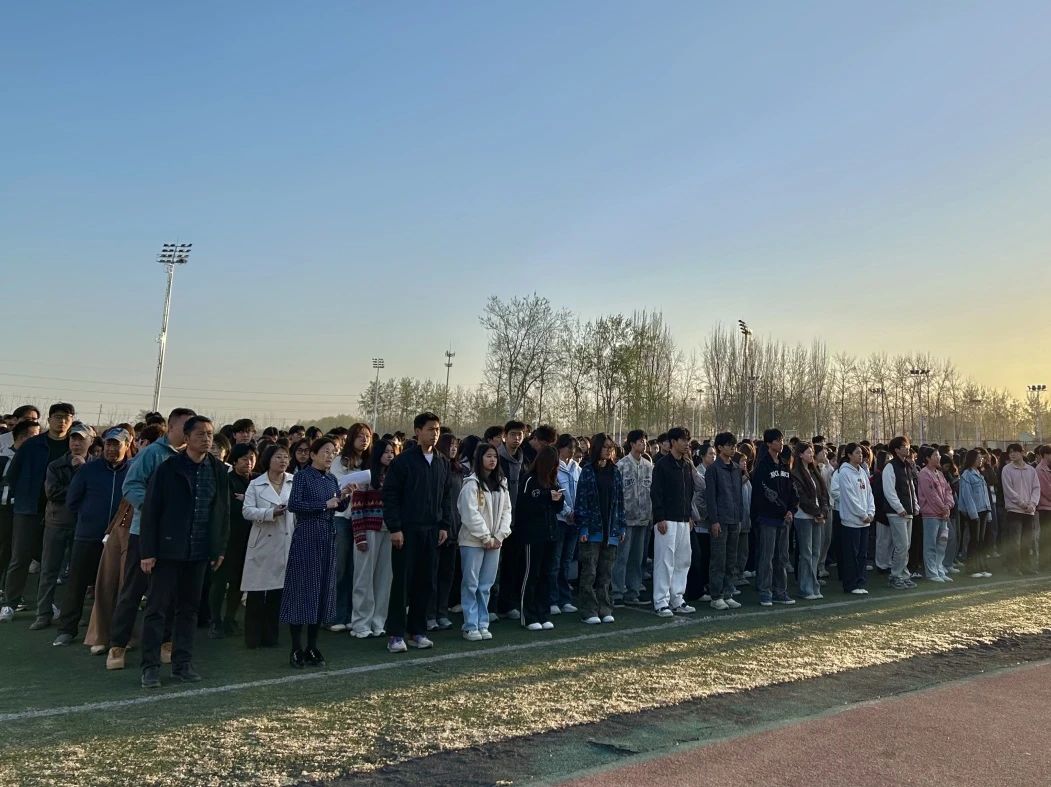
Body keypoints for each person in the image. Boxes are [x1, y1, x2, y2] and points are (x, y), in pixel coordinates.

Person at [138, 416, 230, 688]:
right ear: (186, 438)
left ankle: (182, 664)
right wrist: (148, 551)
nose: (207, 439)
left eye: (210, 434)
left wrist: (219, 548)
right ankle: (150, 667)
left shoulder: (217, 470)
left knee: (189, 610)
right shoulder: (169, 468)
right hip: (168, 549)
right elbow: (151, 511)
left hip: (200, 551)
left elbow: (222, 512)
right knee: (157, 609)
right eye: (200, 434)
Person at [105, 407, 195, 670]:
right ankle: (118, 645)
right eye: (186, 427)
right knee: (133, 590)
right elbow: (130, 486)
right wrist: (155, 508)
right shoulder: (152, 453)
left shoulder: (191, 457)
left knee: (170, 592)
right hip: (143, 532)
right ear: (172, 427)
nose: (190, 433)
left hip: (176, 536)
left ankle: (166, 642)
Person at [382, 412, 453, 653]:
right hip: (407, 531)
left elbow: (446, 497)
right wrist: (395, 528)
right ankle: (395, 634)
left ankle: (417, 631)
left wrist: (444, 525)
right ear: (417, 431)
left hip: (432, 531)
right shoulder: (403, 462)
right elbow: (390, 495)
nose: (435, 434)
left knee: (426, 583)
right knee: (402, 583)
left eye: (437, 429)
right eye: (430, 429)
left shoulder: (442, 462)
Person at [52, 428, 131, 645]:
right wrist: (89, 517)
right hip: (87, 535)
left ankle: (112, 633)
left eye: (116, 444)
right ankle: (67, 629)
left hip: (119, 539)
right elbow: (73, 500)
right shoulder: (89, 470)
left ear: (127, 445)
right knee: (77, 583)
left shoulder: (133, 471)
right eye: (108, 444)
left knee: (115, 586)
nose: (111, 449)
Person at [281, 437, 354, 668]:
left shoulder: (331, 479)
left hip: (327, 537)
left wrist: (344, 496)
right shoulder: (302, 476)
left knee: (322, 590)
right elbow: (294, 505)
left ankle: (312, 646)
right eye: (325, 451)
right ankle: (296, 647)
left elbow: (337, 505)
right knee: (302, 590)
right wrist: (325, 504)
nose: (330, 456)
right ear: (313, 454)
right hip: (306, 536)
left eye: (333, 452)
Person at [2, 402, 75, 624]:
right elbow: (12, 475)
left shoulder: (74, 446)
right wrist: (22, 496)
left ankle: (46, 603)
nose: (62, 421)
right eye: (58, 417)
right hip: (28, 509)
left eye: (67, 418)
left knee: (50, 561)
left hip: (58, 512)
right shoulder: (33, 445)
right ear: (49, 420)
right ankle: (10, 603)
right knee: (20, 557)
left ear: (71, 421)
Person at [32, 422, 94, 630]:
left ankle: (73, 614)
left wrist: (82, 472)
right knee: (49, 570)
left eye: (81, 439)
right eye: (73, 439)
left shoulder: (96, 466)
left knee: (78, 574)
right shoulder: (56, 465)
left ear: (90, 442)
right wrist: (79, 482)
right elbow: (53, 493)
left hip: (83, 526)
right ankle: (43, 613)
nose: (76, 443)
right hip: (57, 522)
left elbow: (96, 493)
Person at [240, 443, 294, 649]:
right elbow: (247, 511)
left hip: (285, 540)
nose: (282, 461)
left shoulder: (293, 481)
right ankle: (252, 637)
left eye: (285, 457)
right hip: (262, 542)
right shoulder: (256, 484)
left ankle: (271, 636)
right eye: (278, 457)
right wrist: (270, 513)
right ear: (268, 460)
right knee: (256, 591)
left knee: (276, 592)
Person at [457, 443, 512, 640]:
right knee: (471, 584)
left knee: (485, 585)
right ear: (479, 459)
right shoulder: (471, 484)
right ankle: (470, 625)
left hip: (495, 542)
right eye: (488, 456)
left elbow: (507, 511)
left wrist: (499, 536)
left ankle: (483, 622)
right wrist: (485, 536)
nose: (492, 460)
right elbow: (469, 513)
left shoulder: (501, 484)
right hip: (473, 541)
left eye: (495, 457)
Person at [573, 433, 626, 625]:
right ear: (596, 448)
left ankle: (605, 607)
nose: (609, 450)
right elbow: (581, 501)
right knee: (589, 572)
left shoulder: (615, 471)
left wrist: (621, 526)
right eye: (605, 446)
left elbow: (620, 500)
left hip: (611, 529)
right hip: (592, 530)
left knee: (606, 572)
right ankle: (589, 609)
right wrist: (583, 528)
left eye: (611, 447)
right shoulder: (587, 471)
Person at [209, 443, 256, 638]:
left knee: (239, 581)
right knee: (221, 581)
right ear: (234, 461)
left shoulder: (257, 482)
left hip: (250, 538)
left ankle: (230, 618)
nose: (249, 462)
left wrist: (246, 500)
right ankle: (215, 621)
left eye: (252, 458)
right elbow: (229, 508)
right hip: (228, 537)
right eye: (244, 459)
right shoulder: (227, 480)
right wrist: (250, 504)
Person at [350, 439, 395, 639]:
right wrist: (359, 536)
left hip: (389, 532)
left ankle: (378, 622)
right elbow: (357, 508)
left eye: (392, 452)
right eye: (386, 452)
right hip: (369, 531)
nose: (390, 455)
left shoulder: (394, 477)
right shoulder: (366, 477)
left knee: (384, 580)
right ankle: (361, 623)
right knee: (364, 579)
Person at [650, 426, 696, 618]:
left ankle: (677, 598)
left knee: (683, 560)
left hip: (683, 519)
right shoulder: (662, 465)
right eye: (683, 440)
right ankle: (661, 601)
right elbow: (656, 492)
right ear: (673, 442)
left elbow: (690, 492)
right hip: (667, 520)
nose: (686, 443)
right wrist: (659, 517)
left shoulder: (686, 465)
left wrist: (689, 515)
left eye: (687, 440)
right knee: (664, 561)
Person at [329, 423, 372, 632]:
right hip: (342, 517)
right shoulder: (340, 461)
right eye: (360, 436)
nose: (364, 440)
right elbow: (336, 485)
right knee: (340, 567)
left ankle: (353, 615)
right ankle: (336, 615)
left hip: (363, 519)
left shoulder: (371, 461)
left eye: (367, 436)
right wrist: (349, 487)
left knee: (357, 570)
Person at [516, 445, 564, 631]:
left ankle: (543, 612)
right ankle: (528, 615)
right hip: (533, 535)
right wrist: (546, 497)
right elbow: (523, 507)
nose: (554, 467)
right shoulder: (529, 479)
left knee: (547, 574)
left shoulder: (553, 481)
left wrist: (558, 499)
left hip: (551, 534)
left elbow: (558, 508)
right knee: (531, 574)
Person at [751, 429, 799, 606]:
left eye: (782, 440)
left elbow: (792, 490)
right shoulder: (763, 466)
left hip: (784, 519)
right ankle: (765, 591)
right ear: (769, 444)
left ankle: (780, 591)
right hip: (768, 518)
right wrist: (781, 509)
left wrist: (791, 510)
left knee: (782, 557)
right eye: (777, 440)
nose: (781, 443)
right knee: (767, 557)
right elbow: (764, 492)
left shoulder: (785, 465)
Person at [0, 419, 41, 614]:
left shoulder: (34, 457)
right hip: (5, 509)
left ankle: (9, 592)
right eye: (35, 436)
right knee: (5, 550)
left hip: (23, 510)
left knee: (15, 552)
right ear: (23, 437)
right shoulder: (5, 457)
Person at [613, 430, 652, 607]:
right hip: (625, 519)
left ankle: (633, 591)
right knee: (621, 557)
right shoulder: (621, 465)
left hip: (643, 519)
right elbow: (616, 494)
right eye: (640, 441)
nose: (644, 444)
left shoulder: (649, 466)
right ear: (632, 444)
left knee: (637, 558)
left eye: (645, 441)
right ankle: (617, 591)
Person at [705, 432, 744, 611]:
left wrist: (740, 517)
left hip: (734, 519)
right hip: (720, 520)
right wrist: (714, 520)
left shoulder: (736, 468)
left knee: (731, 559)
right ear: (720, 447)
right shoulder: (713, 469)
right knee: (718, 560)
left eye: (734, 445)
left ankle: (728, 593)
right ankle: (716, 595)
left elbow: (739, 495)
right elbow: (711, 497)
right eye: (729, 445)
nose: (733, 448)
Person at [830, 443, 875, 595]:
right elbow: (850, 497)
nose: (860, 455)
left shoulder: (862, 471)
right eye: (857, 453)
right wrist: (863, 514)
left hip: (865, 521)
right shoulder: (844, 473)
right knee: (851, 554)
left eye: (861, 453)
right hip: (851, 521)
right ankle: (850, 584)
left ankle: (860, 581)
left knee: (862, 554)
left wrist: (871, 512)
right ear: (849, 455)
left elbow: (869, 494)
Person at [428, 433, 462, 631]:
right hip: (437, 527)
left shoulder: (460, 471)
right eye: (450, 444)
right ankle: (430, 614)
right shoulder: (435, 467)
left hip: (455, 529)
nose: (453, 448)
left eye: (456, 445)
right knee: (431, 574)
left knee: (447, 575)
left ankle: (442, 612)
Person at [790, 441, 830, 601]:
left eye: (812, 451)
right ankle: (805, 588)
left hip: (817, 516)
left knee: (815, 553)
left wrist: (823, 512)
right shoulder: (795, 473)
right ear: (800, 455)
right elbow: (801, 497)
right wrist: (816, 512)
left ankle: (813, 586)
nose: (811, 454)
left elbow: (823, 494)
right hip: (803, 517)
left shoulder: (814, 471)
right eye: (808, 452)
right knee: (806, 554)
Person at [495, 420, 527, 619]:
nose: (517, 438)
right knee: (493, 568)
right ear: (504, 436)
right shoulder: (495, 459)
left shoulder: (524, 460)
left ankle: (508, 604)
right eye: (513, 434)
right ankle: (490, 606)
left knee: (512, 564)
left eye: (520, 435)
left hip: (518, 522)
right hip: (497, 521)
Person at [881, 436, 919, 591]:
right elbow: (889, 490)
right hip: (896, 513)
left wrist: (915, 505)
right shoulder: (890, 467)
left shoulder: (908, 465)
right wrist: (899, 508)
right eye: (904, 446)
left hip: (908, 511)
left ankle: (904, 574)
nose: (907, 448)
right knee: (901, 545)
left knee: (906, 545)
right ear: (896, 450)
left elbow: (911, 488)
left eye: (908, 445)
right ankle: (895, 576)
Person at [550, 434, 580, 616]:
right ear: (560, 448)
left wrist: (577, 513)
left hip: (574, 521)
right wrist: (567, 512)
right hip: (560, 520)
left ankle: (565, 598)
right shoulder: (554, 467)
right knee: (555, 561)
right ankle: (552, 599)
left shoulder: (577, 468)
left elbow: (581, 491)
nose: (572, 451)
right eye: (569, 447)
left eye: (574, 448)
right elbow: (555, 492)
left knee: (566, 562)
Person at [1000, 443, 1040, 576]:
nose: (1012, 454)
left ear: (1022, 453)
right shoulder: (1007, 469)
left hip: (1029, 510)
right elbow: (1008, 491)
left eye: (1015, 451)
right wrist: (1023, 504)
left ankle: (1026, 567)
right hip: (1014, 510)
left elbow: (1036, 488)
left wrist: (1032, 504)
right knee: (1015, 541)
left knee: (1027, 541)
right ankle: (1014, 568)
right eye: (1010, 452)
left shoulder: (1031, 470)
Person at [957, 449, 992, 578]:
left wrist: (988, 511)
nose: (981, 460)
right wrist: (973, 514)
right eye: (978, 458)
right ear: (972, 459)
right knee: (974, 540)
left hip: (983, 510)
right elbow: (967, 496)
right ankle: (971, 569)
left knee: (981, 541)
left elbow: (985, 495)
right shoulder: (967, 475)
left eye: (981, 458)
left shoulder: (979, 473)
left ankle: (981, 566)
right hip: (975, 512)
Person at [1036, 445, 1051, 573]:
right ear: (1044, 455)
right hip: (1045, 507)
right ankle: (1044, 564)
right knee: (1046, 537)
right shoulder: (1040, 469)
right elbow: (1046, 489)